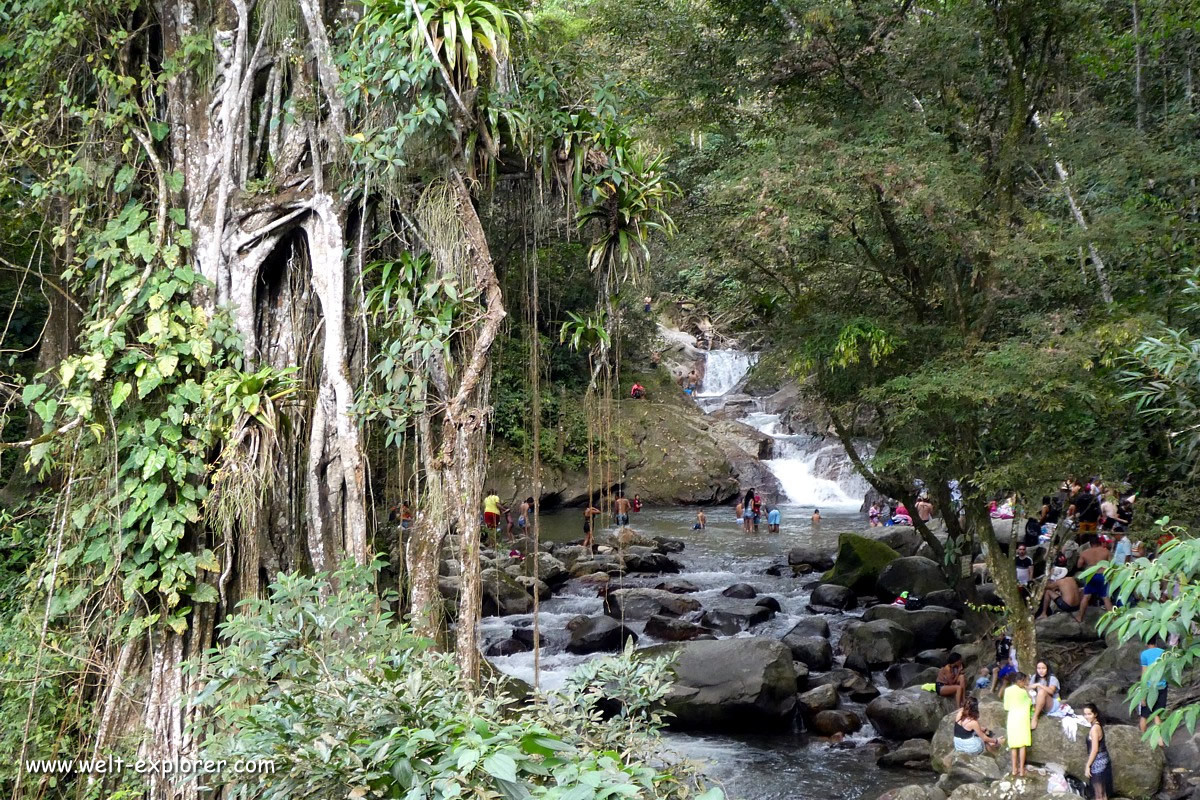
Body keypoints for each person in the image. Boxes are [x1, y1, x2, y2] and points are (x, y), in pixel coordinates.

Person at [1076, 539, 1114, 621]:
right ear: (1100, 543)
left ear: (1090, 544)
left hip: (1091, 575)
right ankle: (1113, 619)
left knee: (1086, 596)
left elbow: (1079, 565)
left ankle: (1079, 617)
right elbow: (1111, 565)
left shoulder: (1085, 553)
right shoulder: (1106, 551)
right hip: (1103, 575)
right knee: (1105, 597)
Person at [1004, 672, 1033, 777]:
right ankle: (1021, 769)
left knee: (1013, 746)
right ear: (1020, 681)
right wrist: (1028, 691)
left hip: (1012, 719)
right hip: (1022, 719)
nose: (1026, 683)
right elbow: (1030, 702)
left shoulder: (1007, 690)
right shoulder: (1023, 692)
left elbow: (1006, 707)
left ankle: (1013, 769)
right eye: (1025, 681)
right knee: (1022, 745)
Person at [1083, 704, 1113, 800]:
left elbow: (1095, 749)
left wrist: (1088, 765)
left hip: (1098, 762)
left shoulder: (1094, 729)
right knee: (1103, 794)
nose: (1087, 716)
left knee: (1098, 794)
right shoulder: (1098, 725)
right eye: (1085, 714)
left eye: (1089, 714)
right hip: (1103, 759)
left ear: (1095, 714)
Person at [1138, 640, 1168, 732]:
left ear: (1146, 642)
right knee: (1157, 713)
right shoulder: (1163, 653)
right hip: (1162, 686)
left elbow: (1144, 674)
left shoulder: (1144, 654)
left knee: (1144, 715)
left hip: (1149, 687)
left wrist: (1142, 694)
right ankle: (1159, 740)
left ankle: (1143, 737)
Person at [1029, 660, 1061, 729]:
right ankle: (1032, 710)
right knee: (1028, 691)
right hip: (1039, 702)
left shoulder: (1052, 678)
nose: (1041, 670)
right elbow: (1029, 687)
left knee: (1042, 692)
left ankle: (1035, 717)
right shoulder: (1034, 677)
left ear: (1047, 669)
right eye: (1039, 668)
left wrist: (1039, 685)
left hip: (1052, 703)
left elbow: (1051, 691)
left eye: (1043, 668)